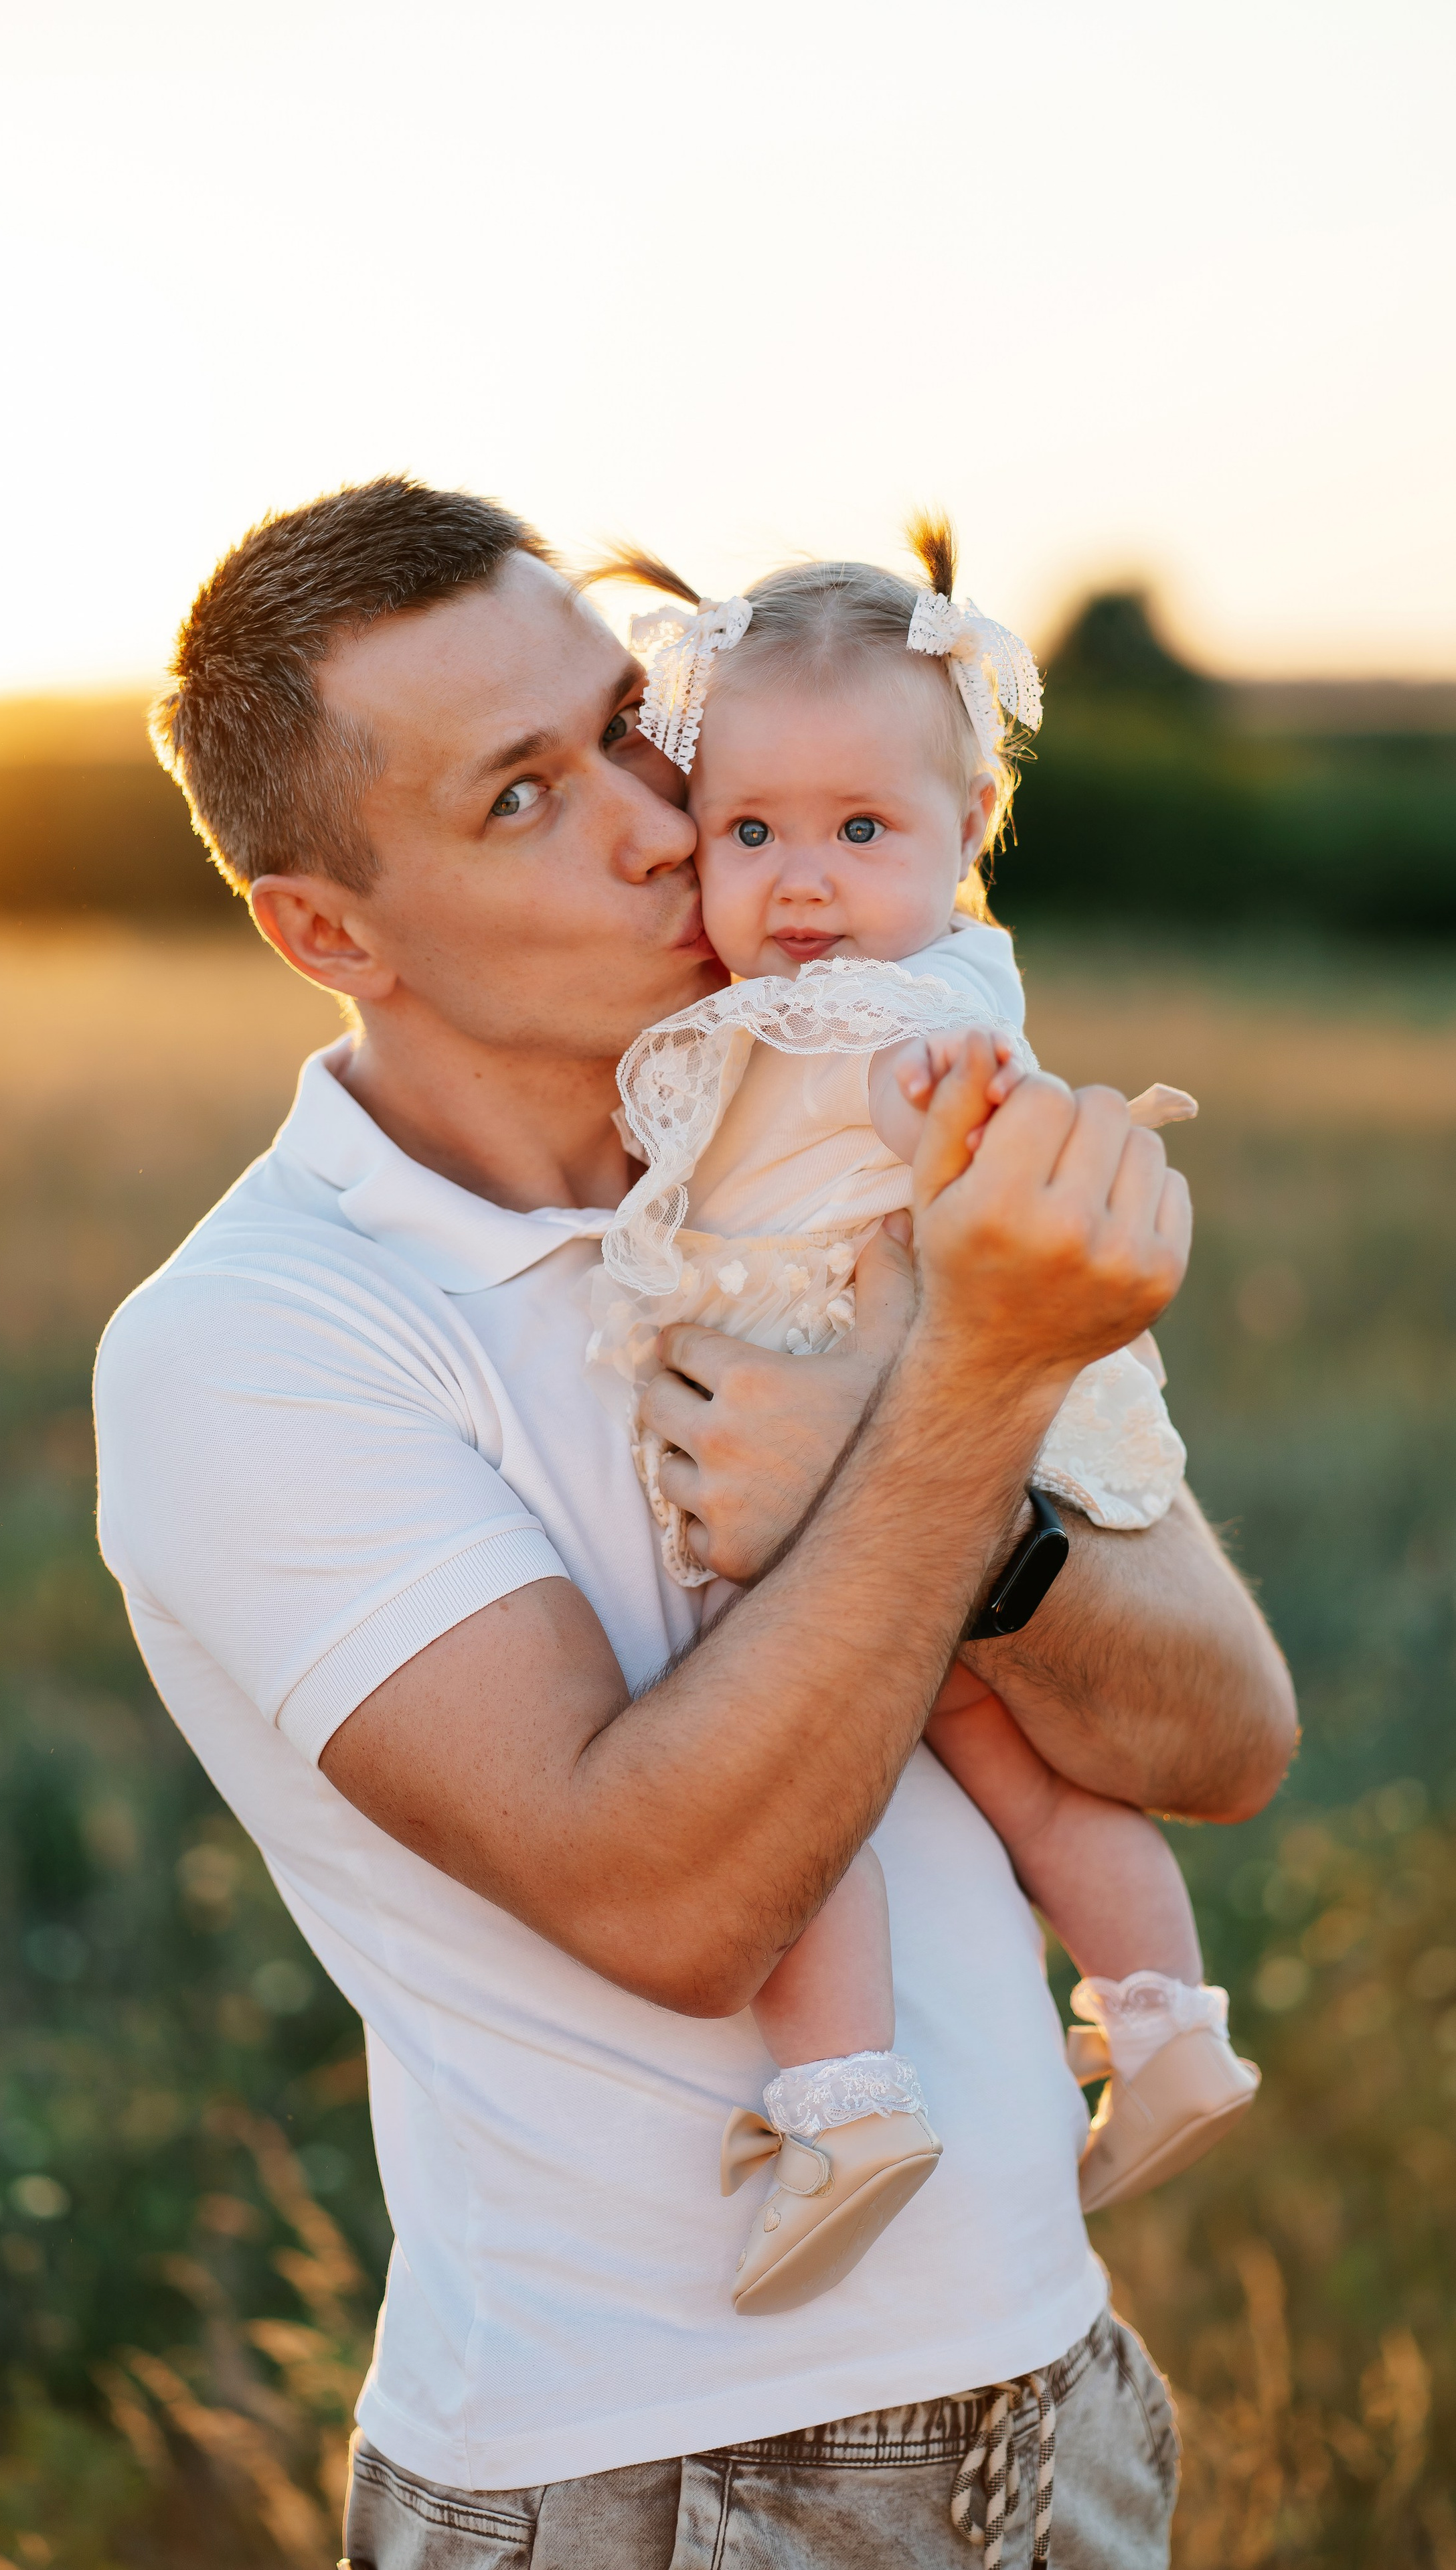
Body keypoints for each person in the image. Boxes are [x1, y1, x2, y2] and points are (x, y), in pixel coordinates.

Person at [93, 477, 1296, 2567]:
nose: (664, 818)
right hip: (660, 2486)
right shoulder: (256, 1347)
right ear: (327, 934)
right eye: (522, 800)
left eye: (632, 726)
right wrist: (963, 1401)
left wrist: (963, 1438)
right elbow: (672, 1906)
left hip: (1063, 2404)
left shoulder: (850, 1163)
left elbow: (1221, 1746)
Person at [582, 522, 1259, 2322]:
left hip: (869, 1412)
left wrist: (948, 1108)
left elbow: (946, 1110)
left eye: (859, 831)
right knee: (1020, 1769)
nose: (800, 881)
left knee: (772, 1757)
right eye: (751, 832)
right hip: (937, 1412)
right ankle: (1169, 2025)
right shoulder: (844, 981)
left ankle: (841, 2096)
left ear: (968, 839)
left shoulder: (888, 1010)